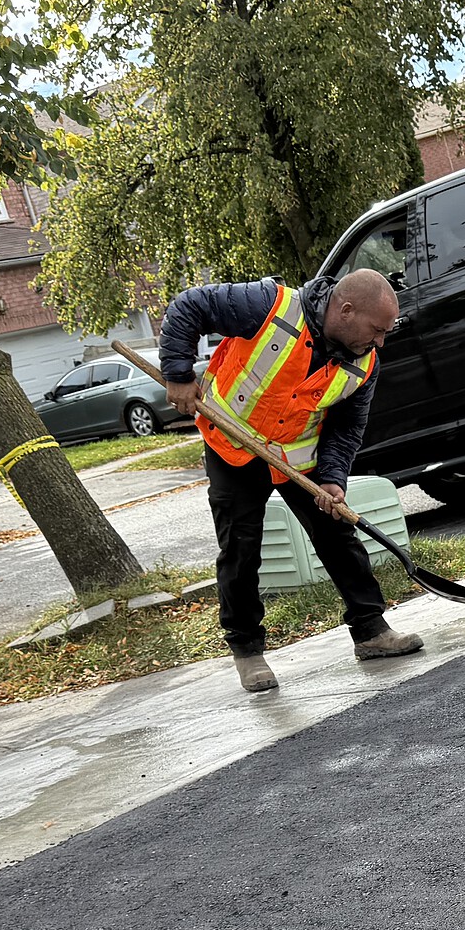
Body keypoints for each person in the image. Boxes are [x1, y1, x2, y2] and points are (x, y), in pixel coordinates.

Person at [158, 268, 420, 695]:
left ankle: (371, 630)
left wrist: (332, 478)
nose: (380, 342)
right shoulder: (268, 306)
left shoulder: (364, 365)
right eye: (377, 330)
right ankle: (247, 650)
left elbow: (346, 428)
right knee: (240, 545)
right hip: (234, 444)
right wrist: (178, 374)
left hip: (298, 454)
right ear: (346, 310)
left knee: (337, 532)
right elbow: (189, 306)